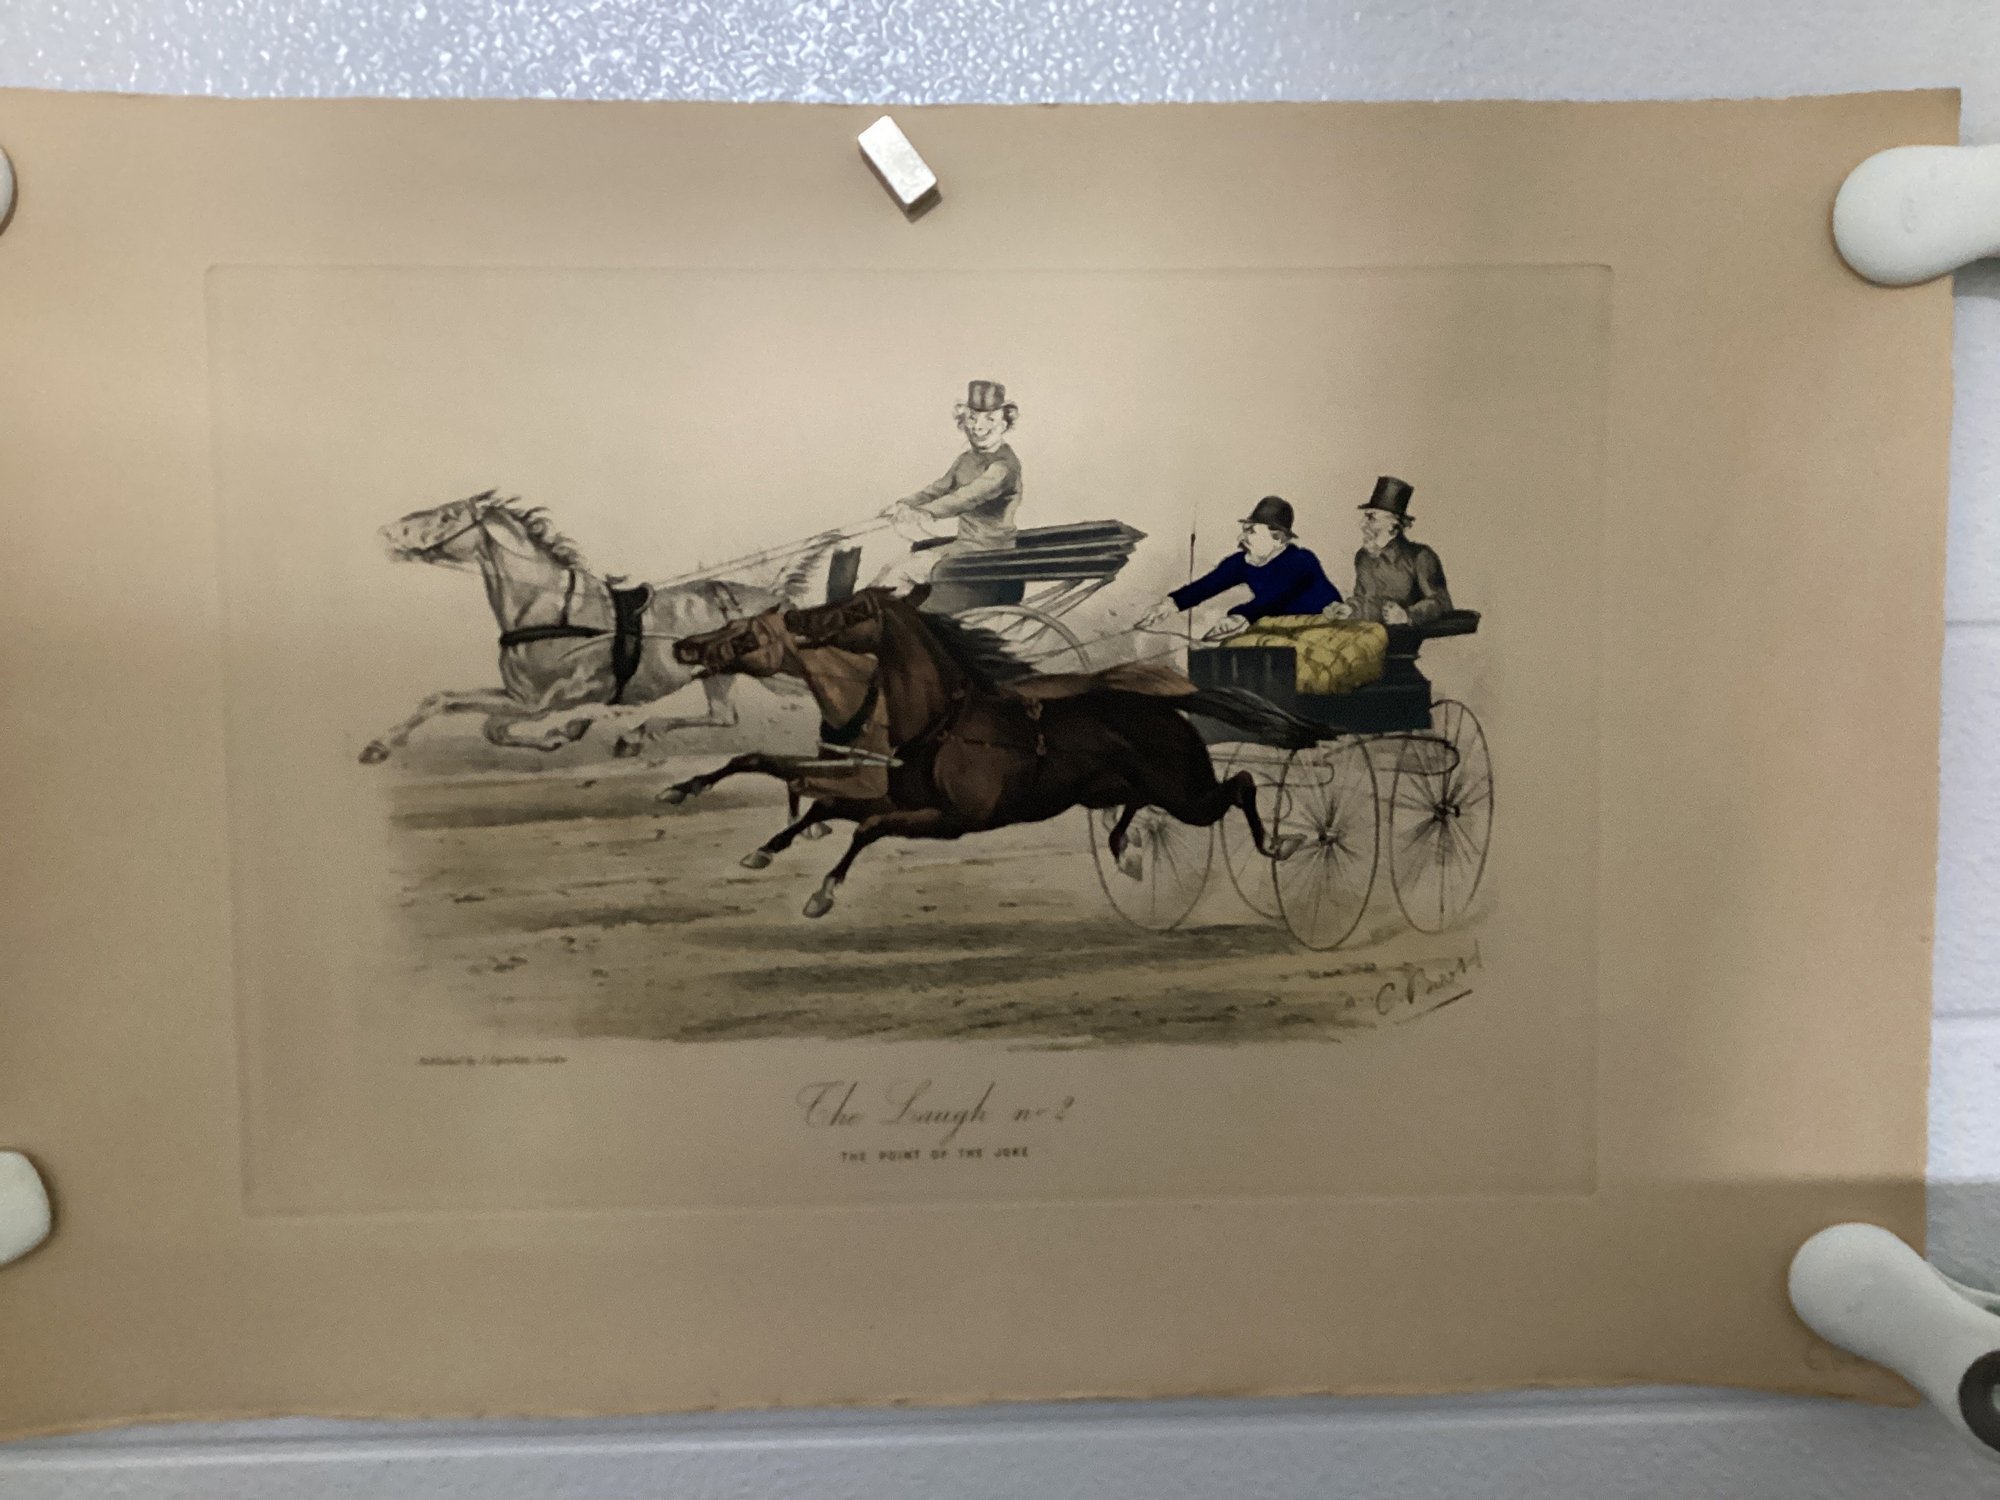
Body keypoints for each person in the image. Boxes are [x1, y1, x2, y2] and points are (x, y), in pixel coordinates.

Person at [871, 380, 1024, 589]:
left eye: (990, 419)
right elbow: (939, 488)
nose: (978, 427)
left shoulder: (1004, 466)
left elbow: (967, 497)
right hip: (965, 547)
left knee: (900, 574)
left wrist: (924, 512)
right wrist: (905, 503)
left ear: (1004, 424)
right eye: (972, 418)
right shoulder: (965, 459)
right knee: (891, 568)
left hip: (989, 556)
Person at [1137, 496, 1342, 640]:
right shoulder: (1243, 562)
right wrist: (1169, 604)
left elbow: (1273, 598)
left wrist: (1240, 616)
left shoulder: (1300, 561)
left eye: (1250, 531)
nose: (1241, 538)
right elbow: (1208, 584)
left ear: (1278, 538)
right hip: (1279, 631)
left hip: (1324, 629)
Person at [1325, 476, 1453, 626]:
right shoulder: (1363, 557)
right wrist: (1349, 609)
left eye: (1371, 517)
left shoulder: (1420, 556)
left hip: (1409, 636)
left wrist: (1407, 615)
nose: (1362, 524)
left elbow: (1441, 602)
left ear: (1393, 524)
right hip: (1372, 634)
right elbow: (1365, 601)